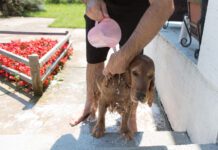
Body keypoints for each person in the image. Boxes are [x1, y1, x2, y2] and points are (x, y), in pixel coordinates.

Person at [70, 0, 174, 132]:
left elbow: (164, 6)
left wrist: (124, 56)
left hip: (135, 10)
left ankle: (131, 115)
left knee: (135, 64)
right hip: (100, 9)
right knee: (94, 58)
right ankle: (90, 104)